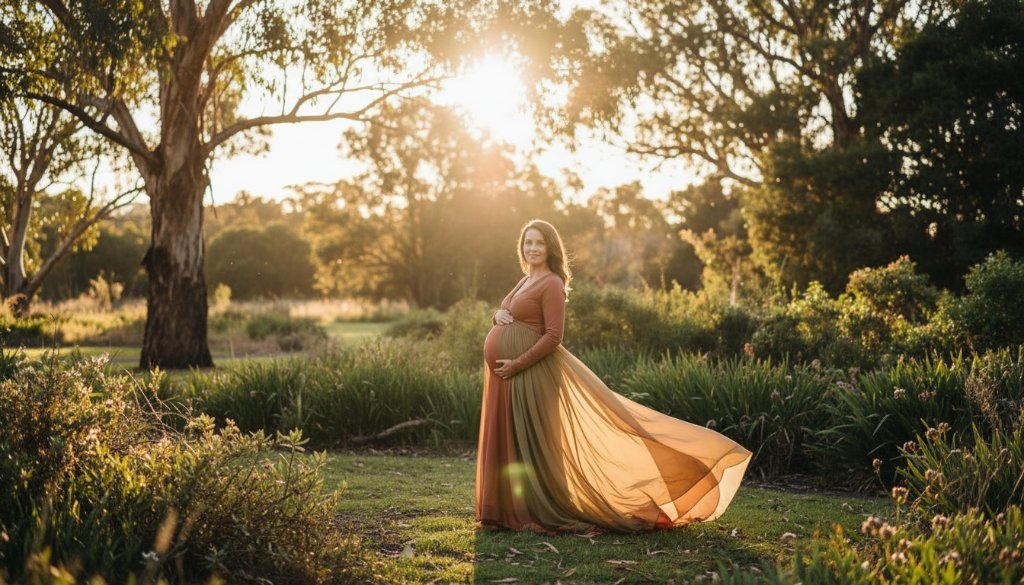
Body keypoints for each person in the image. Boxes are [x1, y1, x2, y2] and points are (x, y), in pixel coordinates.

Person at [476, 219, 751, 533]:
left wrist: (517, 363)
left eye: (539, 243)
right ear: (521, 247)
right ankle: (503, 510)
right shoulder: (526, 279)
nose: (533, 248)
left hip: (527, 374)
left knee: (529, 444)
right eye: (528, 242)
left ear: (551, 247)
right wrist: (496, 314)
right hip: (506, 376)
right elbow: (506, 309)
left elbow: (554, 336)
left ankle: (530, 510)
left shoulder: (551, 283)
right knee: (508, 437)